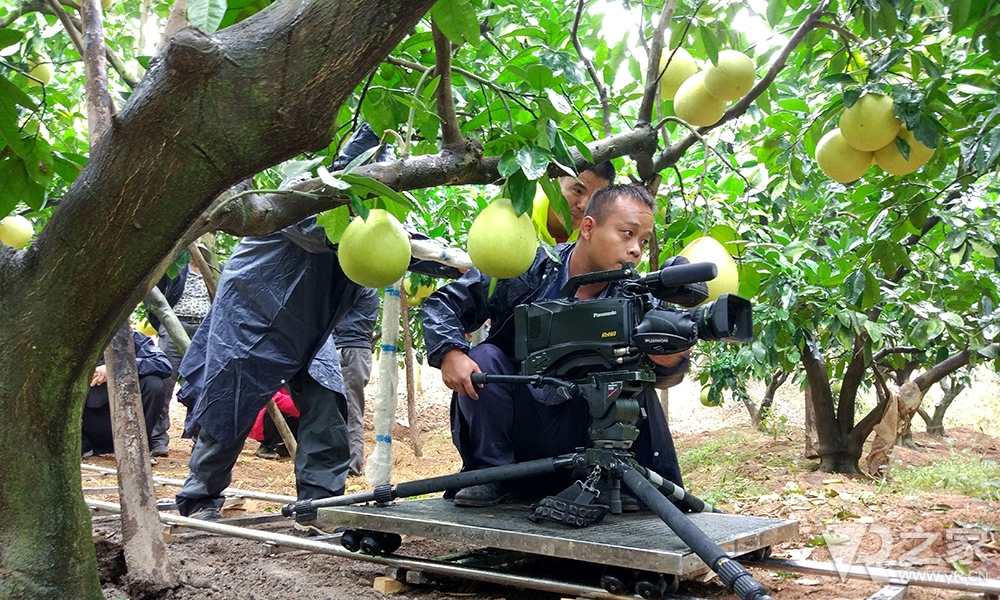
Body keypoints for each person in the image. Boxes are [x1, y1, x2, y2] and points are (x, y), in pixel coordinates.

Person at [172, 125, 387, 532]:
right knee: (230, 406)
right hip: (250, 316)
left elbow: (392, 250)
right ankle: (200, 497)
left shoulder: (372, 219)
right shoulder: (303, 190)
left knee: (326, 400)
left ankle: (319, 502)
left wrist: (448, 259)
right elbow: (320, 235)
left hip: (308, 329)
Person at [422, 184, 690, 508]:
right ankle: (493, 474)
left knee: (631, 375)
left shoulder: (639, 298)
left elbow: (662, 374)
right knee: (485, 358)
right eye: (627, 233)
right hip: (521, 422)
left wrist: (670, 361)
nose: (636, 249)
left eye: (643, 241)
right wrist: (450, 353)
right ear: (588, 228)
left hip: (592, 434)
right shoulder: (525, 268)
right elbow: (442, 306)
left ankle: (616, 483)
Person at [147, 253, 212, 457]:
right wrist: (164, 327)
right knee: (164, 382)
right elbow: (153, 295)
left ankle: (198, 439)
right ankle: (157, 439)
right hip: (174, 326)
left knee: (202, 385)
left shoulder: (217, 270)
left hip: (205, 332)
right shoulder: (175, 266)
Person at [81, 331, 172, 457]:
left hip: (125, 419)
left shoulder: (129, 335)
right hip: (86, 420)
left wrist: (117, 367)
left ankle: (138, 446)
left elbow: (163, 364)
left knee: (154, 383)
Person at [332, 287, 379, 477]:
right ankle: (343, 463)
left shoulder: (360, 282)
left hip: (350, 350)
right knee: (345, 411)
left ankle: (352, 468)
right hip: (349, 350)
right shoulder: (362, 281)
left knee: (351, 412)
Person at [530, 162, 615, 245]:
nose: (584, 206)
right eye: (578, 191)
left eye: (594, 198)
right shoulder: (524, 211)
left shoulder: (594, 236)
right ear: (554, 183)